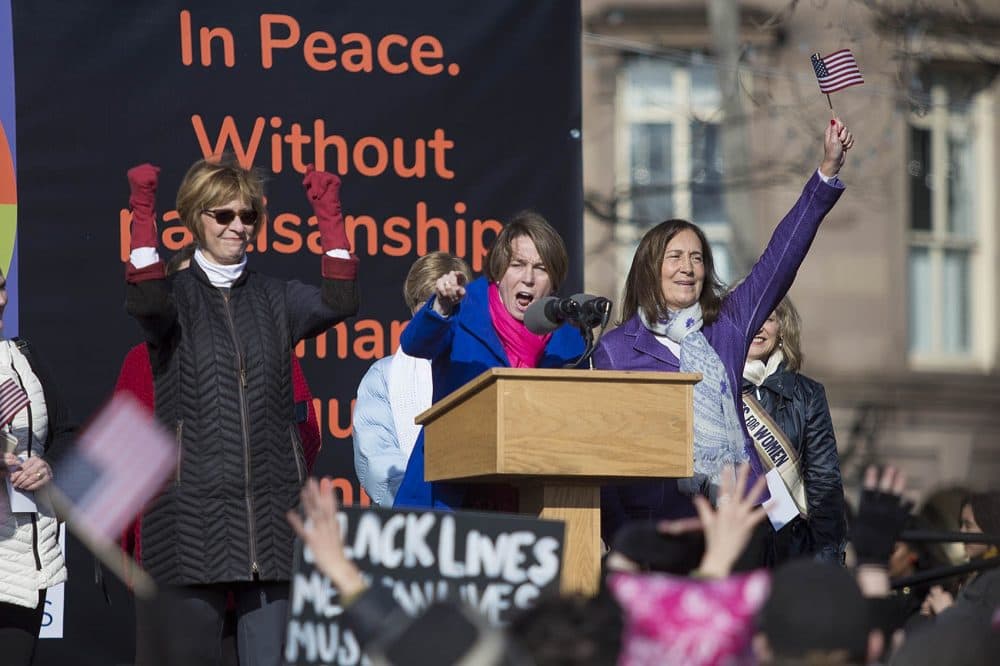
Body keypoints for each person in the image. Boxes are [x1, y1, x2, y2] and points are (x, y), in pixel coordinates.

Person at [123, 156, 358, 665]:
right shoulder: (175, 300)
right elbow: (145, 299)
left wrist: (330, 217)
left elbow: (340, 299)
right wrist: (142, 212)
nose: (237, 226)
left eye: (248, 216)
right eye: (222, 215)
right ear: (195, 219)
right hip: (191, 528)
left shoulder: (277, 297)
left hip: (271, 529)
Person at [595, 119, 854, 541]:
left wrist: (825, 172)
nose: (688, 268)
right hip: (659, 530)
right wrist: (625, 538)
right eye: (675, 256)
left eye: (697, 258)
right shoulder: (615, 350)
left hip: (737, 520)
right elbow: (604, 455)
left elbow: (781, 258)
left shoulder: (726, 326)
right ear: (649, 267)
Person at [393, 211, 586, 510]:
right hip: (450, 496)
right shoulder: (463, 307)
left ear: (554, 281)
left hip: (532, 504)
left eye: (541, 268)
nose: (528, 278)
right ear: (498, 271)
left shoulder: (571, 345)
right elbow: (415, 344)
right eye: (517, 265)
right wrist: (441, 306)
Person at [352, 251, 472, 507]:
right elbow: (376, 459)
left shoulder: (476, 367)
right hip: (406, 519)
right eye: (430, 302)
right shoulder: (383, 375)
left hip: (473, 521)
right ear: (413, 309)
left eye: (450, 303)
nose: (441, 310)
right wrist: (421, 508)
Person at [0, 267, 74, 665]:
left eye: (0, 288)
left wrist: (49, 465)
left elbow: (66, 431)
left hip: (25, 558)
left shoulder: (24, 354)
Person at [741, 297, 847, 565]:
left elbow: (824, 484)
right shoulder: (713, 387)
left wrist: (827, 563)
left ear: (782, 330)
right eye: (749, 315)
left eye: (769, 318)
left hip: (791, 553)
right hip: (733, 550)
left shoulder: (808, 395)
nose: (758, 326)